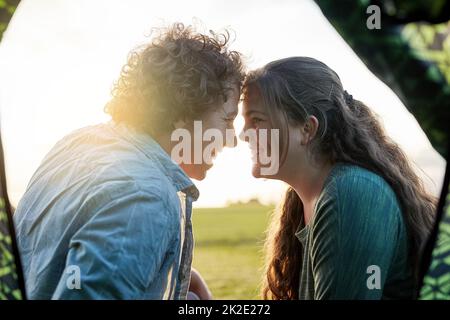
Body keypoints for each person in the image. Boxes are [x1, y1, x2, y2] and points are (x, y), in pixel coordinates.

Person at [13, 23, 244, 299]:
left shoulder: (77, 143)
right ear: (184, 113)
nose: (231, 139)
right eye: (227, 120)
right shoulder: (145, 196)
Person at [240, 56, 436, 299]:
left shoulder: (352, 193)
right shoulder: (304, 202)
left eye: (257, 120)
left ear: (307, 129)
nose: (243, 135)